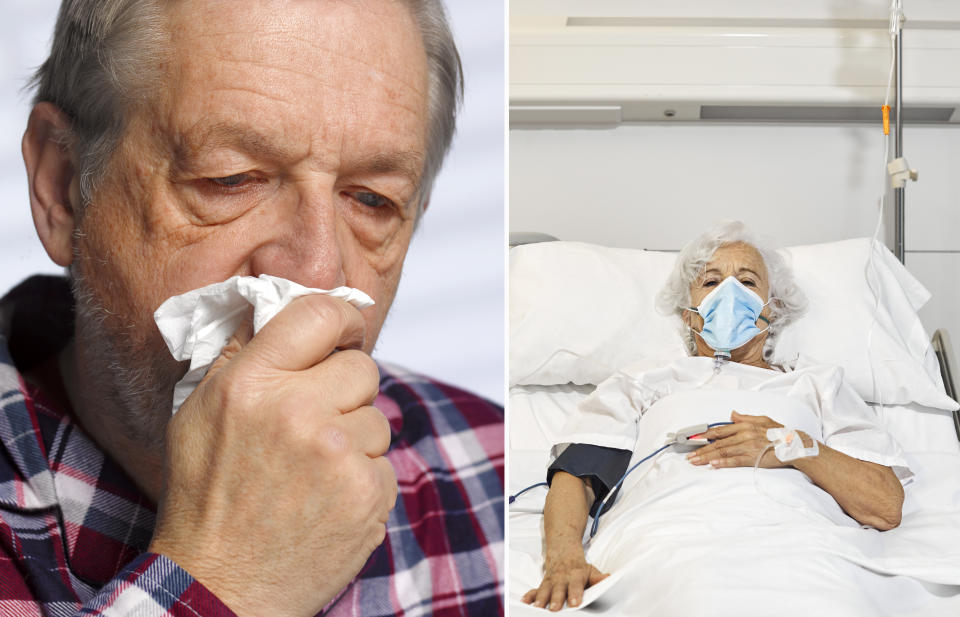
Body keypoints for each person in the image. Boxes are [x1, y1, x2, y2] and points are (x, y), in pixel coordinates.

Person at [0, 1, 504, 616]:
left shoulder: (493, 469)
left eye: (371, 200)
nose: (319, 272)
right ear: (62, 185)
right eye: (230, 179)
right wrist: (224, 578)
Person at [522, 221, 908, 611]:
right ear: (689, 316)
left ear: (770, 310)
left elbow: (885, 504)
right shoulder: (644, 381)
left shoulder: (818, 384)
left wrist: (791, 446)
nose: (730, 293)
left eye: (748, 281)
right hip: (671, 537)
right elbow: (577, 478)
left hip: (801, 539)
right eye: (710, 282)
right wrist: (564, 558)